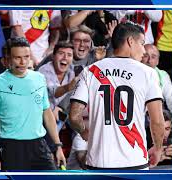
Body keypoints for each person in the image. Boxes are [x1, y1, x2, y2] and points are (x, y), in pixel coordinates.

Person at [69, 22, 165, 169]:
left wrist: (83, 132)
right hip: (135, 162)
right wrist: (158, 148)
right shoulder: (148, 73)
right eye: (142, 43)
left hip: (98, 163)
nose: (144, 51)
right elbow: (157, 121)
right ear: (130, 41)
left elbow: (74, 116)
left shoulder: (90, 71)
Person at [0, 37, 66, 170]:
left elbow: (47, 113)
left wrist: (58, 146)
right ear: (8, 59)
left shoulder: (39, 78)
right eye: (17, 58)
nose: (23, 62)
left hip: (39, 145)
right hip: (11, 148)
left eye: (26, 57)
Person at [142, 44, 172, 113]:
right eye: (146, 56)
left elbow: (171, 98)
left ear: (157, 61)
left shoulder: (162, 75)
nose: (149, 61)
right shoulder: (132, 72)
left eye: (153, 57)